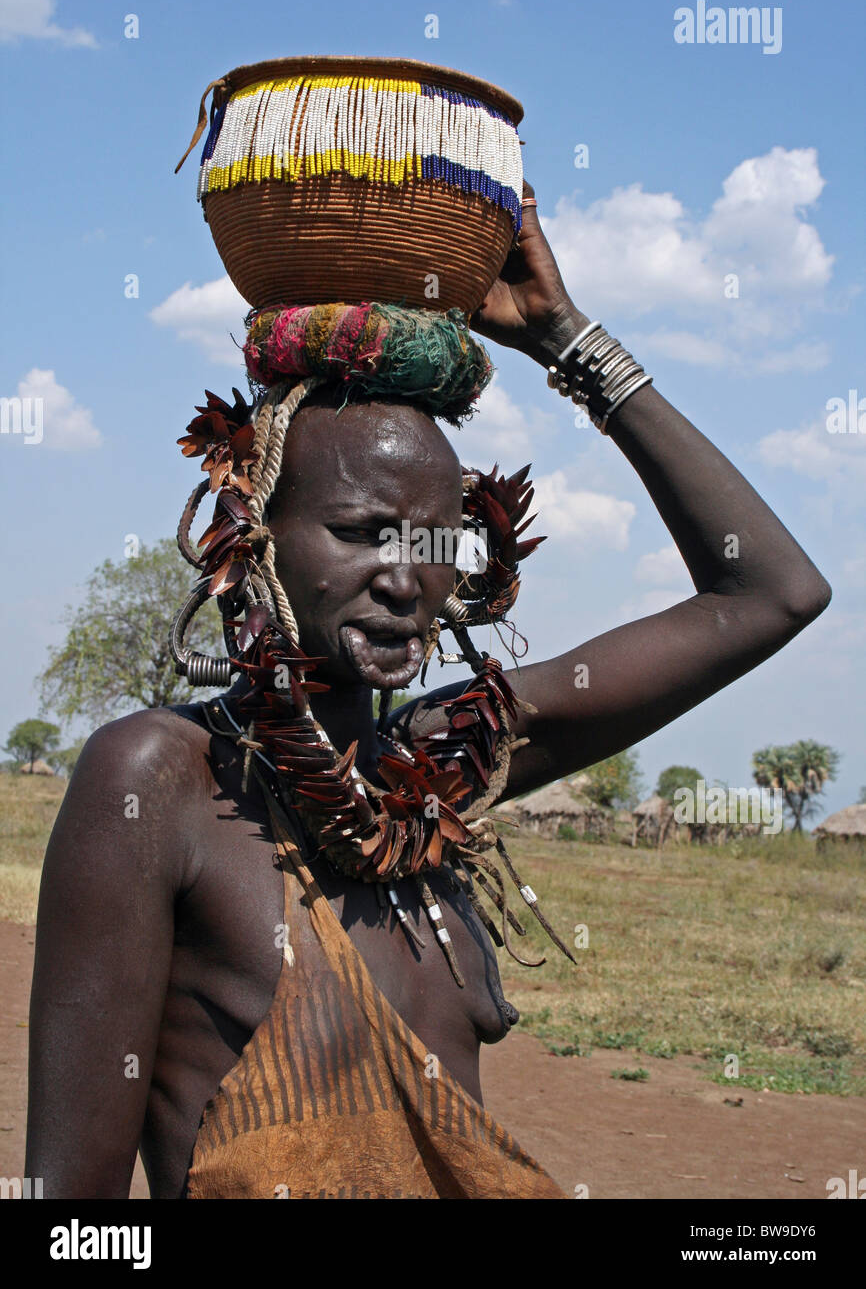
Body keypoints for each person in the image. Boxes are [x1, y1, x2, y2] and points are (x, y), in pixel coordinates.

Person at [25, 188, 831, 1199]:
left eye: (434, 542)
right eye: (362, 532)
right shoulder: (158, 779)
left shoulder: (443, 758)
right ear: (256, 528)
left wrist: (563, 338)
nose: (407, 577)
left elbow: (769, 591)